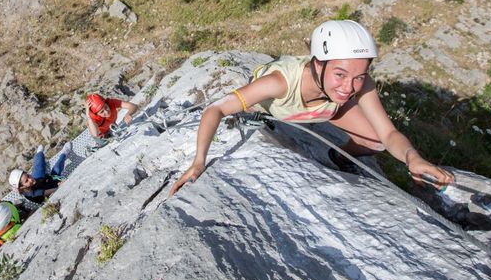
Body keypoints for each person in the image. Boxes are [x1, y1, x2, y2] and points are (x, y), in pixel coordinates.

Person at [169, 20, 454, 196]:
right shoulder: (279, 83)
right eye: (340, 74)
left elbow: (389, 134)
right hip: (281, 108)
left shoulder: (357, 85)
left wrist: (412, 158)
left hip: (324, 110)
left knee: (375, 141)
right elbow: (215, 110)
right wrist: (199, 162)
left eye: (359, 76)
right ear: (318, 63)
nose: (349, 87)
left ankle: (339, 157)